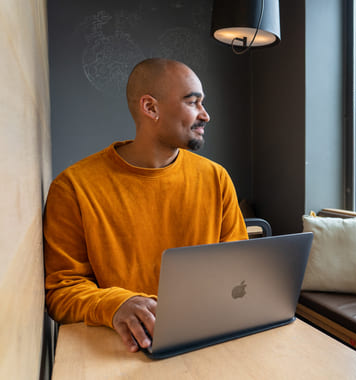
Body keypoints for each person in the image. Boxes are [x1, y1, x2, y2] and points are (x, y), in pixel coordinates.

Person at [43, 58, 248, 353]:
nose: (205, 115)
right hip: (123, 348)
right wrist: (117, 305)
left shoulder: (216, 178)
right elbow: (62, 291)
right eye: (193, 103)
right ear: (150, 108)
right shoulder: (73, 187)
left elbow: (238, 268)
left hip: (208, 338)